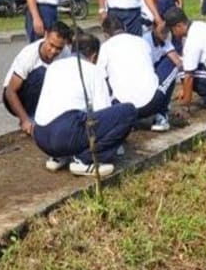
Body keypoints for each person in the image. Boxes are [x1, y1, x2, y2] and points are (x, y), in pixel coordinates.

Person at [33, 32, 138, 177]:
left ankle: (61, 156)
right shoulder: (93, 70)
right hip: (64, 134)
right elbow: (102, 111)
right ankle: (85, 160)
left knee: (76, 116)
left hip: (40, 136)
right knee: (129, 111)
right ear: (94, 56)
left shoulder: (54, 66)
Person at [98, 16, 177, 132]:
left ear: (105, 34)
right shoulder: (141, 41)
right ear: (124, 27)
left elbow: (101, 79)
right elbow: (151, 68)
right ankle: (161, 113)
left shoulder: (104, 48)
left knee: (103, 81)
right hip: (152, 103)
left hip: (123, 108)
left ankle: (122, 120)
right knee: (170, 63)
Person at [2, 22, 73, 135]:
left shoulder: (66, 53)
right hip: (15, 97)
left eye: (59, 48)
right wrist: (25, 120)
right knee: (42, 74)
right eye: (51, 45)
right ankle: (32, 117)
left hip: (42, 94)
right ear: (46, 35)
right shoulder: (29, 55)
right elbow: (10, 92)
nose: (54, 51)